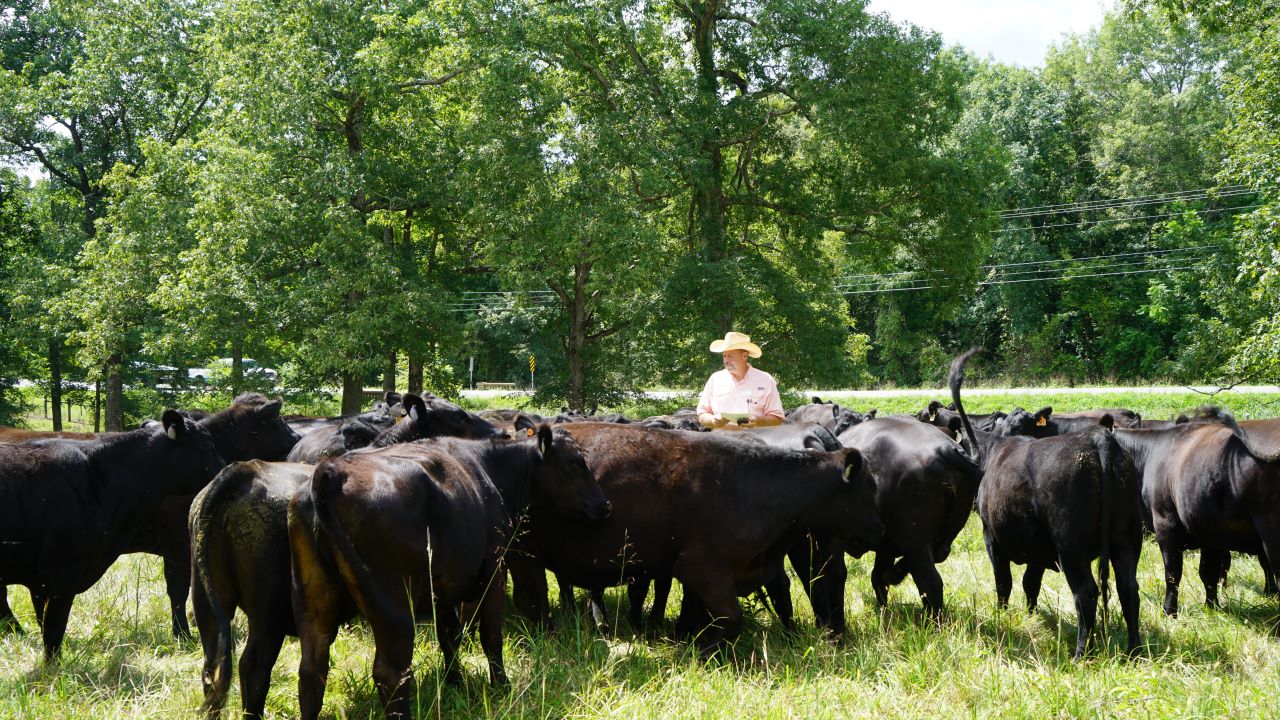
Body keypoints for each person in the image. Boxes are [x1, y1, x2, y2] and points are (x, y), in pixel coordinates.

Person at [696, 331, 784, 429]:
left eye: (730, 355)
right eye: (724, 355)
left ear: (745, 356)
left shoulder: (765, 379)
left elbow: (777, 419)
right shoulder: (715, 379)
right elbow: (702, 415)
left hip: (754, 442)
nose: (726, 360)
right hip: (720, 442)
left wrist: (758, 421)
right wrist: (713, 420)